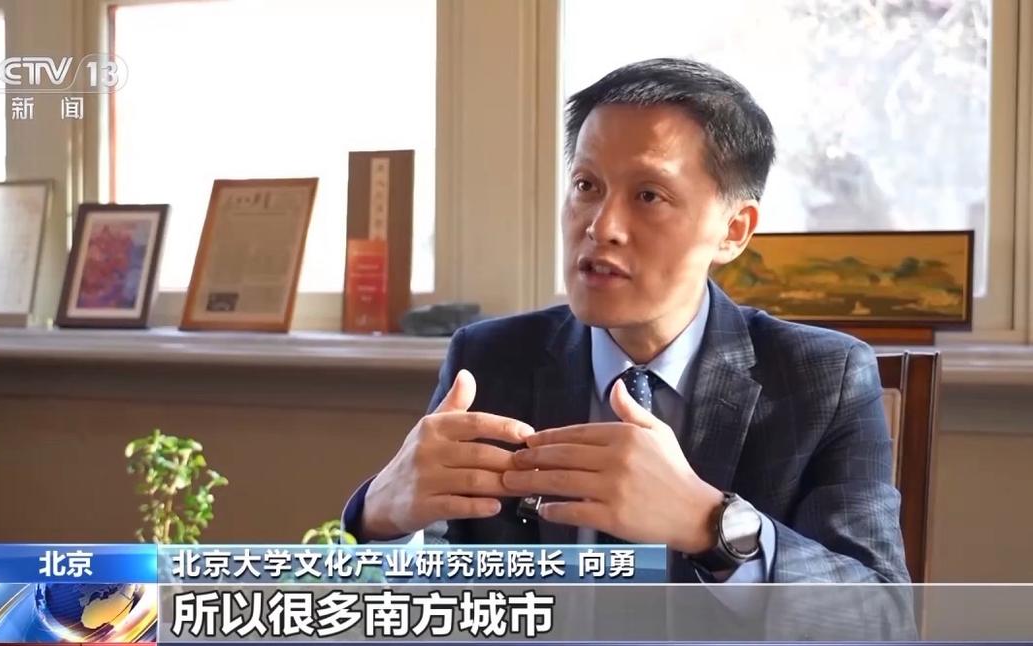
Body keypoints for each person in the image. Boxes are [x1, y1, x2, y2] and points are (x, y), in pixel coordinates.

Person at [341, 58, 909, 590]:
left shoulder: (822, 376)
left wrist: (710, 525)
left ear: (733, 231)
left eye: (648, 195)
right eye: (586, 186)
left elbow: (882, 616)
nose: (601, 226)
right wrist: (380, 521)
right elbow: (421, 596)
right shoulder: (489, 359)